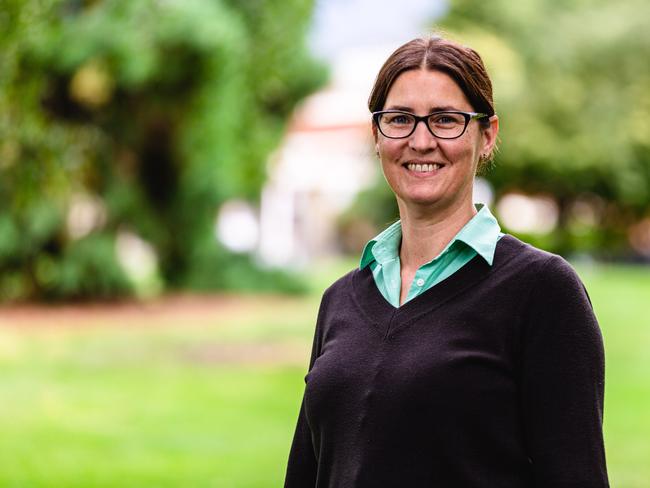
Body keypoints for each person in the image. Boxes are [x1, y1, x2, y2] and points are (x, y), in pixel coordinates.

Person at [284, 35, 609, 487]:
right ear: (377, 135)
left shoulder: (542, 290)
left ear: (487, 134)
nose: (421, 141)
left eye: (445, 120)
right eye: (399, 119)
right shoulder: (342, 297)